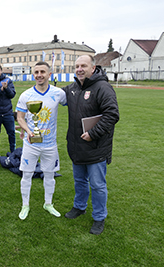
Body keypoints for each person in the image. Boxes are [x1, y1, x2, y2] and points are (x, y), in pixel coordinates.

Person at [62, 55, 119, 235]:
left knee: (97, 185)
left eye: (83, 66)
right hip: (77, 146)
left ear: (93, 68)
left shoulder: (103, 88)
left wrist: (93, 134)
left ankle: (99, 217)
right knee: (79, 181)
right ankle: (79, 207)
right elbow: (50, 97)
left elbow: (112, 114)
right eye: (77, 66)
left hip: (95, 148)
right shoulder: (71, 88)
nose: (79, 69)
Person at [16, 61, 67, 220]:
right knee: (27, 175)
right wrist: (28, 131)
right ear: (33, 74)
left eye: (42, 72)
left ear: (49, 74)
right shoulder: (26, 95)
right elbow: (20, 117)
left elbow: (74, 105)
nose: (39, 75)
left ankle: (48, 204)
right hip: (31, 144)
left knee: (49, 175)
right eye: (36, 72)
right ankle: (25, 205)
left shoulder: (59, 93)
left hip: (50, 144)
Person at [0, 63, 16, 159]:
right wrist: (1, 89)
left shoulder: (8, 80)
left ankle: (13, 151)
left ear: (1, 71)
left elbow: (12, 94)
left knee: (11, 132)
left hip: (7, 112)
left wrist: (6, 88)